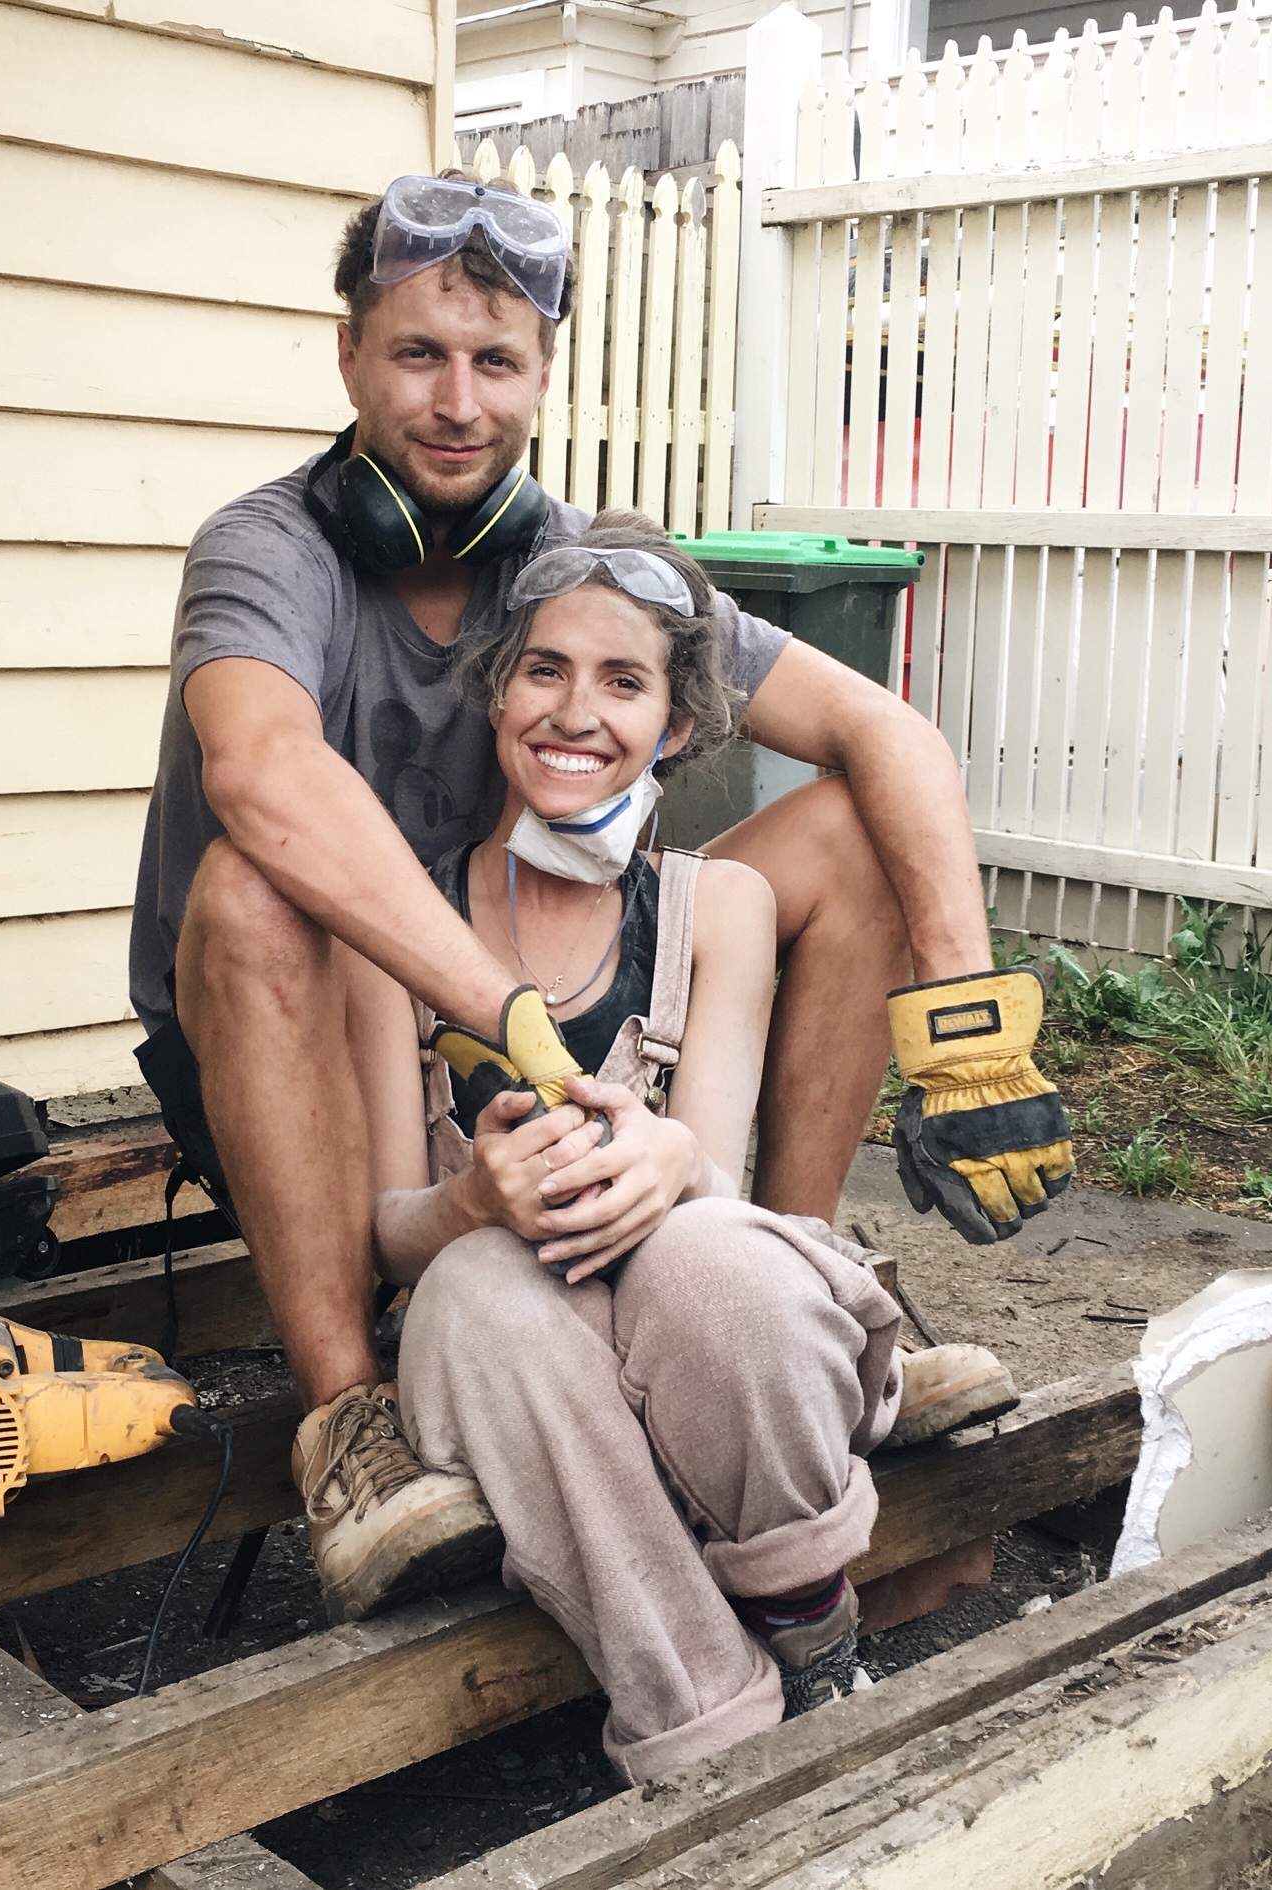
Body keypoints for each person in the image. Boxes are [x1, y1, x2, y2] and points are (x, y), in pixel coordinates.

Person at [128, 171, 1072, 1626]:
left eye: (495, 362)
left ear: (543, 375)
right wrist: (491, 1004)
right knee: (256, 888)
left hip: (553, 1006)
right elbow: (258, 771)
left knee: (865, 830)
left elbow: (889, 734)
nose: (456, 401)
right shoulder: (271, 548)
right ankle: (349, 1422)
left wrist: (967, 1017)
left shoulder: (570, 564)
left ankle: (805, 1274)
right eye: (417, 354)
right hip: (306, 1045)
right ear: (349, 358)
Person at [349, 511, 915, 1779]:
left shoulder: (722, 911)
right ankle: (701, 1731)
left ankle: (811, 1631)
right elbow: (385, 1236)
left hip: (668, 1301)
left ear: (679, 726)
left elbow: (713, 1179)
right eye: (545, 669)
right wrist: (468, 1205)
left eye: (624, 682)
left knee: (723, 1254)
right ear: (497, 694)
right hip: (494, 1337)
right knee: (492, 1297)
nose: (575, 712)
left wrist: (675, 1163)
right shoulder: (393, 917)